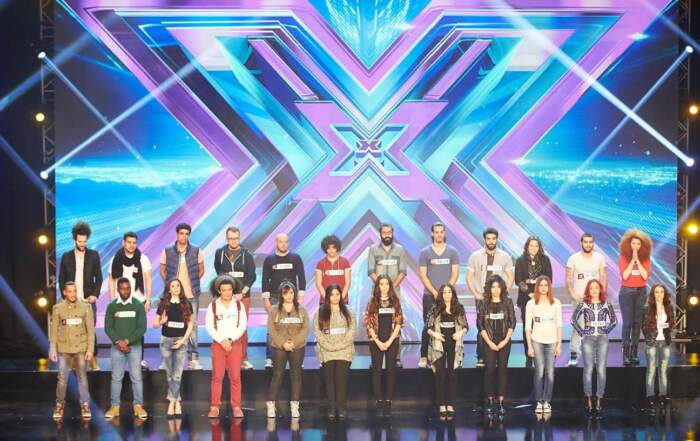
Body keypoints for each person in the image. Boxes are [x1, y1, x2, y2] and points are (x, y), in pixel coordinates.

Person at [58, 221, 102, 370]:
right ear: (74, 239)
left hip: (88, 300)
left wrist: (95, 295)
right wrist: (65, 297)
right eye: (79, 241)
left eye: (84, 241)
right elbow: (61, 279)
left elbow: (99, 278)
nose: (82, 244)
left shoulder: (94, 255)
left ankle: (93, 361)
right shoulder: (66, 256)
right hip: (71, 300)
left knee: (90, 330)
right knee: (71, 331)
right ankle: (72, 363)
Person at [160, 223, 205, 370]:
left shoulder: (196, 251)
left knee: (192, 327)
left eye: (186, 234)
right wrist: (171, 286)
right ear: (177, 234)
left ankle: (193, 359)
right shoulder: (167, 250)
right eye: (181, 233)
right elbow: (162, 270)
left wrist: (191, 284)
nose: (184, 236)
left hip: (191, 296)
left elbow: (201, 270)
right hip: (172, 297)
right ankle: (167, 359)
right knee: (168, 324)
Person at [467, 228, 514, 367]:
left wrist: (504, 293)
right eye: (488, 239)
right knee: (482, 326)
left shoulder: (505, 256)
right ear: (484, 239)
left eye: (493, 238)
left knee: (501, 325)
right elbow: (469, 277)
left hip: (500, 299)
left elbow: (511, 277)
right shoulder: (475, 256)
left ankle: (499, 356)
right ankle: (481, 357)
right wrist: (476, 294)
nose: (491, 241)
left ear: (497, 239)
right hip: (482, 299)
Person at [104, 278, 148, 420]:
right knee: (116, 378)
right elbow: (108, 327)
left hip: (134, 347)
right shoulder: (112, 306)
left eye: (128, 288)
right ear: (118, 289)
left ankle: (138, 406)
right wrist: (119, 342)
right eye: (122, 288)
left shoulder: (138, 305)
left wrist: (127, 341)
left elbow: (142, 328)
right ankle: (114, 407)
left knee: (136, 377)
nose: (125, 291)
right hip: (117, 347)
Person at [50, 281, 95, 420]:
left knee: (82, 378)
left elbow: (90, 331)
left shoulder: (86, 307)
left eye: (74, 291)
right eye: (70, 291)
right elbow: (54, 331)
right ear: (64, 292)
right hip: (64, 348)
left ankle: (85, 405)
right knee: (62, 378)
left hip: (80, 348)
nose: (73, 294)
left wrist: (90, 349)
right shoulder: (58, 308)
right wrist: (52, 348)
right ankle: (59, 405)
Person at [571, 279, 617, 416]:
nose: (594, 290)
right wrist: (582, 332)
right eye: (591, 288)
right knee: (589, 368)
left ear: (600, 289)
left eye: (596, 287)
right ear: (588, 290)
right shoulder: (583, 304)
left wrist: (605, 331)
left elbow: (614, 321)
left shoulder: (606, 303)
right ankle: (588, 398)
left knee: (601, 369)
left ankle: (599, 398)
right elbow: (573, 320)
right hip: (588, 339)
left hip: (602, 339)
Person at [214, 226, 256, 370]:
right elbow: (219, 272)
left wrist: (242, 293)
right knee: (225, 326)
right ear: (227, 238)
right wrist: (226, 293)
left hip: (243, 297)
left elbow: (251, 276)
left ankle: (243, 359)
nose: (234, 241)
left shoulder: (247, 254)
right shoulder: (220, 253)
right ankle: (228, 358)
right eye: (231, 238)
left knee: (241, 327)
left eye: (236, 238)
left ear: (239, 238)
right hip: (225, 297)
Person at [418, 222, 460, 368]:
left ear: (444, 233)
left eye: (441, 232)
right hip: (430, 295)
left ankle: (453, 356)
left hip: (448, 296)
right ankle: (424, 356)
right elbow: (423, 275)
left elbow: (455, 273)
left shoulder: (453, 251)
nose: (439, 234)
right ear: (432, 234)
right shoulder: (425, 252)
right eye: (436, 232)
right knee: (428, 325)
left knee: (450, 325)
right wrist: (435, 292)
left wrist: (446, 292)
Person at [205, 276, 248, 419]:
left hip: (234, 344)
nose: (227, 293)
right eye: (224, 290)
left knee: (235, 377)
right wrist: (221, 340)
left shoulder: (239, 305)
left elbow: (242, 326)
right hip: (218, 345)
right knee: (217, 377)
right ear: (219, 291)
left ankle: (236, 407)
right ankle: (214, 407)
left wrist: (230, 339)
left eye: (229, 290)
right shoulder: (213, 306)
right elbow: (209, 326)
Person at [109, 231, 152, 369]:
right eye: (129, 242)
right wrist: (112, 301)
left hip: (138, 301)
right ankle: (120, 359)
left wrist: (148, 300)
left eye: (134, 242)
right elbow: (111, 280)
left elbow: (148, 280)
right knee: (119, 329)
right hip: (120, 302)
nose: (132, 245)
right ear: (123, 242)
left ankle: (139, 359)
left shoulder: (143, 259)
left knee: (139, 330)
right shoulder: (115, 259)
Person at [266, 281, 309, 419]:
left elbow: (305, 329)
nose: (289, 296)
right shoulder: (274, 310)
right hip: (279, 346)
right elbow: (272, 330)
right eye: (285, 293)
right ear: (281, 295)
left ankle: (295, 406)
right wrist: (283, 343)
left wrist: (294, 342)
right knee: (278, 374)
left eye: (291, 293)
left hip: (298, 346)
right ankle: (271, 405)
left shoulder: (302, 309)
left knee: (296, 375)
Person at [262, 233, 306, 368]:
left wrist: (301, 296)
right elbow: (265, 280)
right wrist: (266, 299)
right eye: (281, 242)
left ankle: (296, 356)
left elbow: (301, 277)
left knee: (295, 325)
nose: (283, 244)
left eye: (286, 242)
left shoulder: (296, 258)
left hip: (292, 298)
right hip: (274, 297)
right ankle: (270, 357)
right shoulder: (269, 259)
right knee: (272, 327)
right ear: (276, 242)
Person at [426, 284, 468, 421]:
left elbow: (465, 326)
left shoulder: (459, 308)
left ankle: (450, 403)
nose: (447, 294)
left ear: (453, 294)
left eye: (449, 292)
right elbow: (428, 327)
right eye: (444, 292)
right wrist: (436, 335)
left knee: (452, 374)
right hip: (439, 345)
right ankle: (441, 404)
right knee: (440, 374)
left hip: (454, 345)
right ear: (441, 294)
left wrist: (461, 333)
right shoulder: (435, 308)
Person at [368, 223, 407, 367]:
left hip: (394, 293)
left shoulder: (400, 250)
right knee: (375, 324)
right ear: (380, 234)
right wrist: (381, 287)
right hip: (377, 294)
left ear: (392, 233)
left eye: (389, 232)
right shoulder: (373, 249)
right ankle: (375, 358)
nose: (387, 235)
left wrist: (391, 287)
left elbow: (403, 271)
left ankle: (396, 357)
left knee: (396, 324)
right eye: (384, 232)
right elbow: (370, 271)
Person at [314, 284, 355, 420]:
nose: (335, 297)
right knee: (329, 380)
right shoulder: (320, 312)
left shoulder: (348, 311)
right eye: (332, 295)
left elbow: (352, 330)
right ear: (327, 297)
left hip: (344, 350)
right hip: (327, 350)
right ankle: (331, 408)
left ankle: (341, 407)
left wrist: (340, 345)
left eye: (337, 294)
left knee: (341, 380)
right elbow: (318, 332)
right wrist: (329, 346)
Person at [153, 278, 194, 417]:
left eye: (178, 285)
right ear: (169, 289)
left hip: (181, 342)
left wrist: (183, 340)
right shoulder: (164, 304)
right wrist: (161, 322)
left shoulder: (186, 304)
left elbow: (190, 325)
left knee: (177, 375)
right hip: (166, 341)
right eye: (173, 286)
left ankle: (172, 402)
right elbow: (154, 324)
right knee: (170, 374)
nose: (176, 288)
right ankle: (176, 400)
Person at [363, 275, 403, 415]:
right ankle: (379, 399)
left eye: (386, 284)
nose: (384, 287)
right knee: (377, 369)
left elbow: (399, 322)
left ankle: (389, 399)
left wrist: (390, 341)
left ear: (390, 286)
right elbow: (368, 323)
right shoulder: (372, 302)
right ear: (377, 286)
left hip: (392, 340)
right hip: (376, 341)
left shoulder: (395, 302)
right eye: (381, 284)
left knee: (391, 369)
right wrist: (378, 341)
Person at [565, 233, 607, 367]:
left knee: (594, 328)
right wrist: (572, 293)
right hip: (579, 299)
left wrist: (601, 295)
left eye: (590, 242)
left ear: (593, 243)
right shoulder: (573, 258)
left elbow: (603, 277)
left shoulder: (599, 258)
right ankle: (574, 356)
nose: (588, 244)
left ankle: (593, 355)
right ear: (581, 243)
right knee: (578, 327)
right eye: (585, 242)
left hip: (595, 300)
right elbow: (568, 278)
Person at [478, 275, 516, 415]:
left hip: (504, 340)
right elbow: (480, 324)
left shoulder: (508, 302)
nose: (495, 290)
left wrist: (505, 341)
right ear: (489, 288)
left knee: (502, 370)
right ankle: (489, 401)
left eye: (498, 287)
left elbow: (512, 322)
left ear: (502, 288)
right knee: (489, 370)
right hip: (489, 341)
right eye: (493, 287)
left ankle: (500, 402)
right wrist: (489, 342)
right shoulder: (483, 303)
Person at [525, 276, 562, 414]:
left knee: (550, 373)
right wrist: (529, 346)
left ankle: (546, 401)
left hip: (552, 341)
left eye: (546, 285)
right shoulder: (531, 303)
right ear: (537, 287)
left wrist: (559, 344)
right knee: (539, 371)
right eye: (541, 285)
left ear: (549, 287)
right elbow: (527, 327)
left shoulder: (556, 303)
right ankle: (539, 402)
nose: (543, 288)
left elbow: (559, 325)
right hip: (537, 341)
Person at [515, 236, 552, 367]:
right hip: (526, 298)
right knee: (528, 326)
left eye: (536, 245)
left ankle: (541, 355)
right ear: (527, 246)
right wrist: (529, 293)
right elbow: (518, 280)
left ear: (539, 247)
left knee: (541, 325)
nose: (534, 248)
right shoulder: (520, 260)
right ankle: (529, 355)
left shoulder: (545, 259)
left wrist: (539, 293)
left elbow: (549, 279)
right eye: (531, 245)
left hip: (542, 297)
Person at [618, 229, 652, 366]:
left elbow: (645, 276)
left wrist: (638, 261)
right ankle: (626, 353)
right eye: (633, 243)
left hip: (641, 292)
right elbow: (625, 276)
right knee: (627, 323)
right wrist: (633, 261)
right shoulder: (623, 257)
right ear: (628, 244)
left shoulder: (646, 259)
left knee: (637, 323)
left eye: (638, 244)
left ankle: (634, 352)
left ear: (642, 246)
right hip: (626, 292)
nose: (636, 246)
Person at [642, 284, 674, 415]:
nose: (659, 294)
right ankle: (650, 396)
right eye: (657, 292)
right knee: (651, 370)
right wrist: (649, 339)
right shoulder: (647, 309)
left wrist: (667, 328)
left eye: (661, 292)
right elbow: (644, 327)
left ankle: (662, 395)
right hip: (652, 343)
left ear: (664, 294)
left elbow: (671, 323)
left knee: (663, 370)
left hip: (664, 342)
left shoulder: (669, 307)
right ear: (653, 294)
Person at [315, 235, 351, 304]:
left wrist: (340, 298)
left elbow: (348, 282)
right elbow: (318, 284)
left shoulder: (345, 262)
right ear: (325, 249)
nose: (331, 250)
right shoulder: (320, 263)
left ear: (337, 248)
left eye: (333, 247)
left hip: (342, 301)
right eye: (328, 248)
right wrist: (327, 299)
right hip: (325, 301)